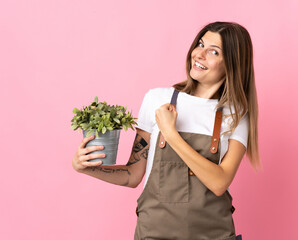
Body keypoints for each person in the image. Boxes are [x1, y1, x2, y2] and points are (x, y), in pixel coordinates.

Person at [72, 21, 260, 240]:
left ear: (232, 64)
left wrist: (171, 134)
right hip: (154, 233)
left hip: (213, 234)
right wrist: (86, 168)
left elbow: (220, 183)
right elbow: (133, 175)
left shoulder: (236, 114)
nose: (199, 54)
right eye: (200, 44)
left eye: (213, 51)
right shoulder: (157, 99)